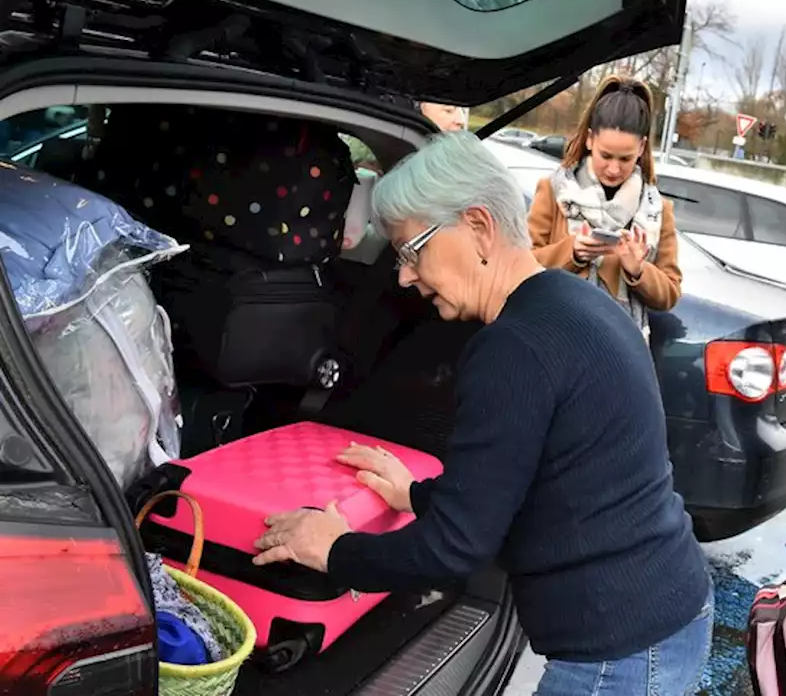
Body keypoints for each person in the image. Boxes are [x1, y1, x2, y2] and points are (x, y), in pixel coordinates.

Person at [250, 132, 713, 695]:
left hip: (618, 652)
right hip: (673, 609)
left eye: (411, 249)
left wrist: (333, 550)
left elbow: (456, 546)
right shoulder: (580, 302)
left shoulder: (512, 349)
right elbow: (541, 481)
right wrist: (419, 496)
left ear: (478, 227)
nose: (403, 276)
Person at [527, 75, 681, 340]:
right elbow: (522, 267)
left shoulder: (657, 208)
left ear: (642, 147)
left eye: (625, 159)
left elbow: (669, 294)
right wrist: (572, 252)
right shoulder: (554, 191)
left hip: (622, 351)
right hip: (553, 339)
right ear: (589, 140)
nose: (613, 169)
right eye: (605, 155)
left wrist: (638, 270)